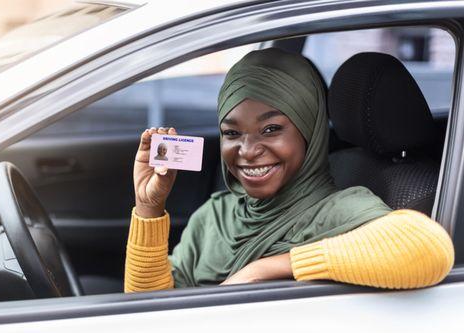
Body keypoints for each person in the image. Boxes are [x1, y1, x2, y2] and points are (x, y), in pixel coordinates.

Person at [125, 48, 454, 292]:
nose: (248, 151)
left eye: (271, 130)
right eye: (232, 133)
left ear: (309, 131)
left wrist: (265, 270)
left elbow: (430, 249)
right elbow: (149, 314)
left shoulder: (339, 211)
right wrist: (149, 208)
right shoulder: (215, 217)